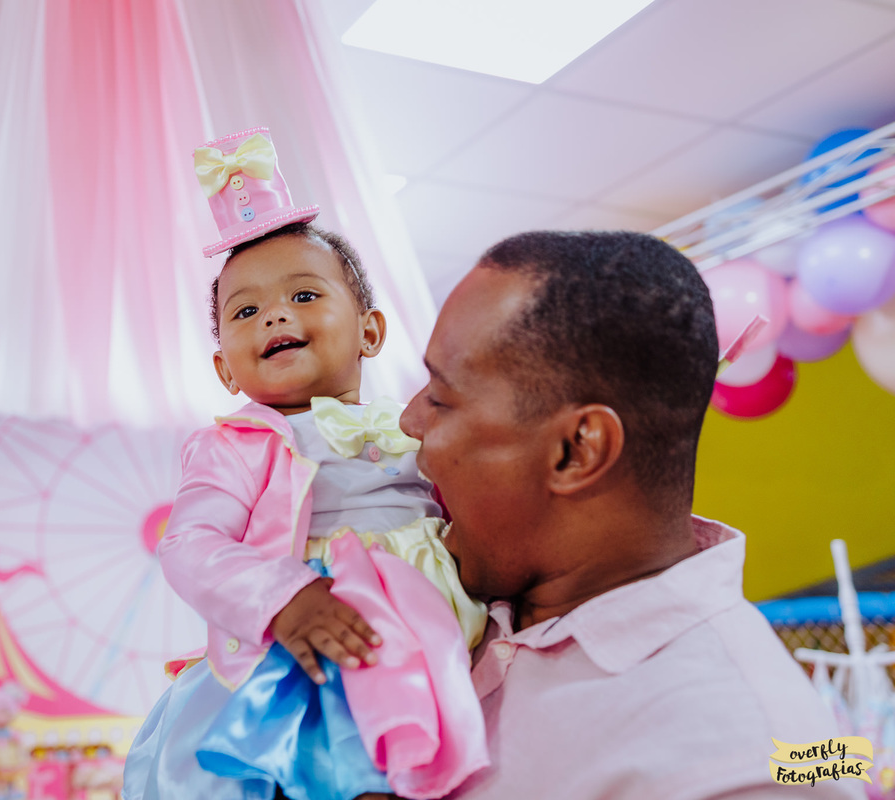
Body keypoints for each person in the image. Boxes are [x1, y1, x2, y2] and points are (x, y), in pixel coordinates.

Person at [399, 230, 865, 800]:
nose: (408, 421)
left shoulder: (744, 765)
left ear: (577, 450)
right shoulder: (458, 594)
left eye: (441, 398)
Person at [122, 129, 488, 800]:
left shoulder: (417, 426)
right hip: (311, 641)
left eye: (305, 296)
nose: (275, 317)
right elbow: (191, 545)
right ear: (224, 368)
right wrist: (281, 597)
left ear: (370, 331)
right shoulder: (237, 445)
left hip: (431, 641)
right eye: (247, 310)